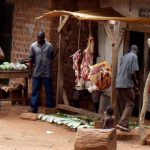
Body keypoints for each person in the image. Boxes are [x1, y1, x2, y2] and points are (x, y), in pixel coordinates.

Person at [28, 31, 56, 113]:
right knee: (35, 90)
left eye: (40, 38)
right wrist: (30, 70)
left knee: (49, 90)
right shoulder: (33, 46)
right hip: (37, 72)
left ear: (44, 38)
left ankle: (50, 107)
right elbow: (31, 59)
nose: (39, 39)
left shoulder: (49, 46)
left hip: (47, 72)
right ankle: (34, 108)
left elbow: (51, 57)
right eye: (38, 38)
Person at [116, 45, 139, 132]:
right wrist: (136, 83)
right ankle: (122, 123)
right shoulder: (134, 56)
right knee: (131, 103)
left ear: (130, 49)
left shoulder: (124, 56)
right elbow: (133, 72)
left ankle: (123, 124)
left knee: (123, 103)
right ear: (136, 50)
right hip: (126, 83)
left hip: (118, 83)